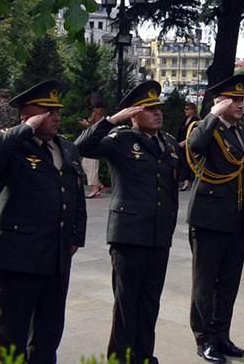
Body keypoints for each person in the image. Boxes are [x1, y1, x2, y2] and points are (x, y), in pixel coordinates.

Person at [0, 80, 87, 363]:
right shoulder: (12, 143)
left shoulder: (66, 147)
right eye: (47, 111)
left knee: (48, 336)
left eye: (57, 110)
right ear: (28, 115)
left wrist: (76, 236)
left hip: (56, 259)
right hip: (16, 260)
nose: (56, 116)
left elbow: (76, 193)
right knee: (13, 340)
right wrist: (24, 128)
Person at [74, 81, 179, 364]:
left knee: (149, 303)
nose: (157, 113)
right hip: (129, 237)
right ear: (133, 114)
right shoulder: (120, 139)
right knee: (126, 304)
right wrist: (111, 120)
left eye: (159, 108)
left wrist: (169, 228)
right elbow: (82, 146)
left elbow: (169, 191)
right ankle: (120, 359)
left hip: (158, 236)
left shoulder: (168, 143)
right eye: (149, 109)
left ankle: (145, 356)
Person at [185, 74, 244, 363]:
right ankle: (204, 338)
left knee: (229, 282)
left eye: (242, 99)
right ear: (219, 102)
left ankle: (222, 334)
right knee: (205, 284)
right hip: (209, 218)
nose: (241, 104)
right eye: (234, 99)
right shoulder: (208, 129)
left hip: (238, 218)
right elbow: (194, 147)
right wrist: (212, 116)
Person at [77, 91, 107, 198]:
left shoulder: (99, 112)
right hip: (93, 141)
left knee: (92, 165)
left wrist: (86, 124)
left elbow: (96, 128)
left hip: (94, 142)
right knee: (86, 164)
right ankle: (99, 185)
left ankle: (95, 189)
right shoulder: (97, 111)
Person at [176, 102, 201, 190]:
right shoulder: (185, 120)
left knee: (187, 162)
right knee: (183, 162)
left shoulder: (196, 121)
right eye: (185, 109)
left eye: (187, 109)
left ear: (192, 110)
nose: (185, 111)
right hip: (182, 145)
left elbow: (195, 134)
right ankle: (186, 181)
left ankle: (187, 183)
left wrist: (185, 142)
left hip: (190, 145)